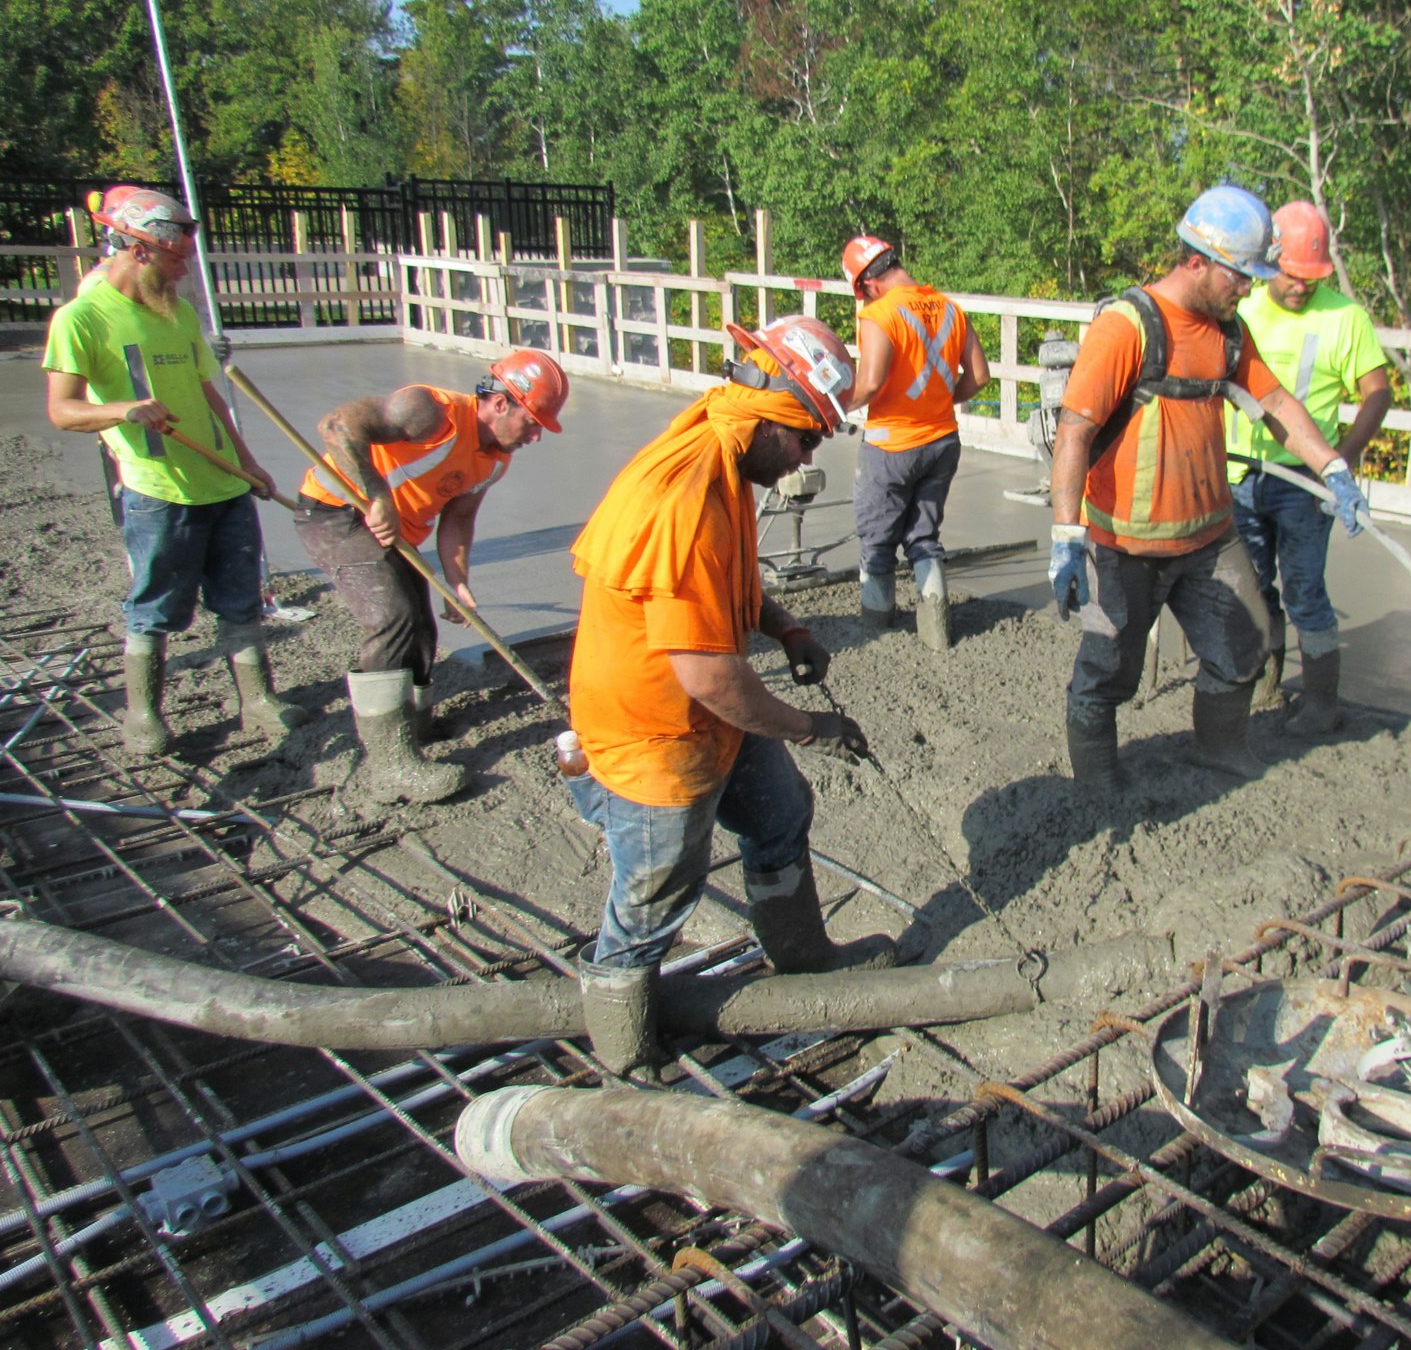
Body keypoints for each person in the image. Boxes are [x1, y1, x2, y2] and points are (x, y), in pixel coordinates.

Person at [565, 315, 898, 1077]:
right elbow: (711, 676)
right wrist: (810, 724)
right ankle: (625, 1056)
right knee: (652, 905)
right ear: (776, 414)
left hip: (704, 718)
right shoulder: (684, 494)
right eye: (808, 439)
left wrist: (784, 627)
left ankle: (805, 960)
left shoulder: (721, 452)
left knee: (779, 816)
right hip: (658, 736)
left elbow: (723, 588)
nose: (805, 459)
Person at [1048, 185, 1368, 791]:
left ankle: (1221, 750)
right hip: (1124, 544)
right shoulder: (1128, 328)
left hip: (1210, 538)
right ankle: (1097, 781)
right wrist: (1066, 535)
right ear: (1196, 261)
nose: (1248, 288)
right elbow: (1075, 433)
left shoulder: (1228, 333)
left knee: (1244, 642)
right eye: (1239, 276)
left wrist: (1331, 467)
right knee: (1108, 667)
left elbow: (1273, 403)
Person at [43, 186, 306, 757]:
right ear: (138, 249)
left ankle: (256, 701)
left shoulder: (179, 313)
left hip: (222, 483)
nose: (185, 269)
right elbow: (63, 410)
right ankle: (143, 714)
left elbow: (210, 393)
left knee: (240, 597)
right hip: (160, 491)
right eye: (176, 256)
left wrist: (247, 462)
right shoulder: (83, 319)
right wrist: (122, 410)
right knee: (157, 604)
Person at [292, 349, 567, 804]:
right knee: (393, 617)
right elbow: (337, 427)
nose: (535, 437)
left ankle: (413, 724)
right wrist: (377, 495)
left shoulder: (496, 460)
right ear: (501, 403)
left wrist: (458, 583)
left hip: (396, 533)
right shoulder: (430, 412)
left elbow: (458, 520)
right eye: (532, 421)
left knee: (421, 626)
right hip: (338, 512)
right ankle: (388, 765)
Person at [1226, 201, 1392, 731]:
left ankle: (1322, 703)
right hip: (1241, 474)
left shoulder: (1345, 318)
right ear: (1272, 262)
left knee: (1305, 589)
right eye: (1292, 276)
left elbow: (1377, 391)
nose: (1300, 287)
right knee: (1251, 587)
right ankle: (1266, 687)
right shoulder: (1243, 308)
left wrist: (1341, 458)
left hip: (1302, 481)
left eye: (1311, 278)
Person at [841, 235, 991, 650]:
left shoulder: (881, 315)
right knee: (924, 538)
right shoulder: (949, 307)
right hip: (943, 441)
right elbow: (979, 376)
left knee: (876, 540)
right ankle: (937, 634)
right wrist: (940, 401)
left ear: (865, 285)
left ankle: (876, 631)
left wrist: (831, 408)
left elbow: (869, 383)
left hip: (891, 445)